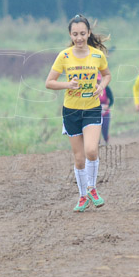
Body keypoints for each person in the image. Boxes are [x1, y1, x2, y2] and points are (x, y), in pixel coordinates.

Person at [45, 15, 112, 212]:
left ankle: (92, 188)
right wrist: (67, 84)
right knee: (79, 158)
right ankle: (82, 196)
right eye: (75, 34)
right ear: (70, 35)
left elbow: (107, 75)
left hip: (91, 108)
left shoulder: (97, 55)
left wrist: (101, 85)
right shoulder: (64, 56)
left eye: (83, 33)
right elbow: (49, 82)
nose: (79, 38)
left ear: (89, 33)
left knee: (92, 150)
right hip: (71, 111)